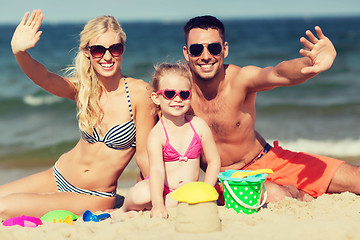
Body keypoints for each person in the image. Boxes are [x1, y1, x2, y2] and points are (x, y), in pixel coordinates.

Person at [182, 15, 360, 203]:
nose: (206, 56)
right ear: (186, 53)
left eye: (214, 48)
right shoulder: (177, 92)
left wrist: (313, 63)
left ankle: (300, 192)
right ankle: (297, 193)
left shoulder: (241, 79)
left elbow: (278, 73)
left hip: (270, 159)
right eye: (196, 49)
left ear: (224, 49)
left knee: (356, 178)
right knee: (278, 195)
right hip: (228, 179)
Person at [0, 10, 156, 218]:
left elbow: (145, 157)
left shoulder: (139, 93)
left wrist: (140, 199)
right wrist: (19, 52)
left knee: (4, 207)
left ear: (122, 50)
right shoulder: (85, 89)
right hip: (57, 176)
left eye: (115, 49)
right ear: (87, 52)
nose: (107, 57)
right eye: (99, 50)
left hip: (94, 195)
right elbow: (44, 77)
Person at [111, 62, 221, 219]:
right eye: (170, 94)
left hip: (186, 190)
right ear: (156, 98)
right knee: (139, 195)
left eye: (184, 94)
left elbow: (214, 160)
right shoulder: (157, 134)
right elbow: (156, 170)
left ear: (190, 95)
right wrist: (158, 204)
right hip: (161, 189)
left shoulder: (198, 126)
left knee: (186, 200)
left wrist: (207, 191)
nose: (177, 99)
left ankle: (147, 210)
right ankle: (124, 210)